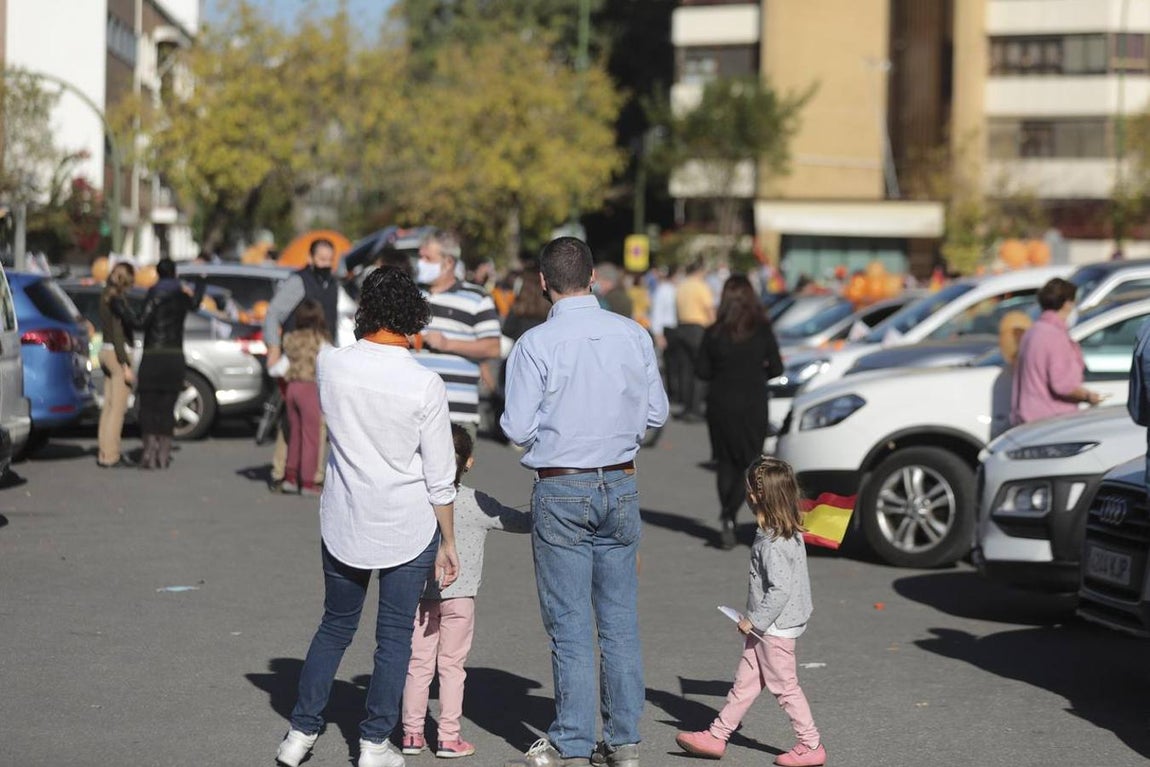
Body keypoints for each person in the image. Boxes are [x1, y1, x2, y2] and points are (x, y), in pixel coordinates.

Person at [275, 266, 460, 767]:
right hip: (407, 521)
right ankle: (374, 742)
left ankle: (300, 732)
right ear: (413, 315)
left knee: (335, 625)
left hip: (345, 516)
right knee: (394, 637)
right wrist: (449, 540)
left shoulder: (332, 364)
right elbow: (441, 476)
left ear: (365, 310)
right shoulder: (425, 384)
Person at [500, 237, 669, 767]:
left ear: (544, 282)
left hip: (562, 483)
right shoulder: (632, 334)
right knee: (618, 619)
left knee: (570, 621)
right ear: (594, 276)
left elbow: (516, 427)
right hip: (618, 480)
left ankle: (572, 740)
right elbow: (657, 413)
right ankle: (623, 741)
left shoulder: (535, 344)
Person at [675, 457, 826, 767]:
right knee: (744, 683)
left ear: (757, 497)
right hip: (770, 625)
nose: (745, 493)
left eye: (747, 488)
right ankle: (717, 735)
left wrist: (753, 620)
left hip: (774, 628)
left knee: (785, 687)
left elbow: (780, 590)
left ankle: (811, 744)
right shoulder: (782, 529)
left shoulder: (773, 542)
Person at [401, 424, 532, 759]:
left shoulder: (418, 501)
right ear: (468, 462)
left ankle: (412, 734)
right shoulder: (477, 502)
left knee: (418, 664)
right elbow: (519, 523)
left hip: (421, 595)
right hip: (460, 598)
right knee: (452, 666)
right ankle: (448, 737)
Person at [697, 275, 784, 550]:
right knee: (750, 463)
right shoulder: (761, 330)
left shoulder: (713, 332)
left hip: (721, 402)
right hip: (752, 402)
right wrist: (758, 371)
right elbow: (778, 368)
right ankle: (751, 517)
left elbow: (702, 371)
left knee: (725, 462)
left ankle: (727, 516)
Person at [264, 238, 340, 493]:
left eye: (329, 260)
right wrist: (274, 348)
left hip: (322, 358)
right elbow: (274, 313)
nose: (326, 264)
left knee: (307, 424)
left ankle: (303, 474)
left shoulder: (332, 283)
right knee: (297, 423)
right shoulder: (299, 281)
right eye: (321, 259)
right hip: (299, 361)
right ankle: (287, 473)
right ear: (310, 259)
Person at [414, 230, 502, 434]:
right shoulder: (411, 293)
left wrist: (448, 344)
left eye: (428, 258)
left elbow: (493, 347)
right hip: (413, 411)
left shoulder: (476, 297)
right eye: (420, 257)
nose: (421, 263)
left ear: (448, 262)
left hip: (456, 414)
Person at [130, 259, 205, 469]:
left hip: (154, 355)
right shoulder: (181, 296)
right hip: (174, 356)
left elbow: (140, 322)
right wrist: (201, 283)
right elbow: (196, 303)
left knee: (148, 406)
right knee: (167, 406)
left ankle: (149, 451)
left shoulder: (154, 295)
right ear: (175, 273)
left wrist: (122, 310)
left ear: (157, 273)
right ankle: (163, 453)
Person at [1011, 277, 1103, 426]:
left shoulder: (1034, 330)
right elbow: (1062, 385)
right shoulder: (1054, 336)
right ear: (1067, 304)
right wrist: (1088, 396)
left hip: (1028, 418)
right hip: (1051, 421)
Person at [281, 299, 330, 496]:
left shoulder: (291, 337)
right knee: (311, 436)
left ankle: (290, 477)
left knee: (295, 434)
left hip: (292, 387)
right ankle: (308, 482)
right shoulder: (320, 339)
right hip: (309, 387)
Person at [97, 262, 138, 468]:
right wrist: (125, 365)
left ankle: (104, 452)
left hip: (104, 351)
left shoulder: (105, 296)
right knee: (118, 409)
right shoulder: (117, 300)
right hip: (117, 353)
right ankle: (112, 455)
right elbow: (119, 333)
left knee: (108, 406)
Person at [673, 259, 715, 422]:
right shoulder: (701, 286)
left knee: (685, 369)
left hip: (682, 327)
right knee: (700, 369)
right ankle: (696, 408)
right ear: (699, 270)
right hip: (698, 328)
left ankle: (686, 406)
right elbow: (709, 309)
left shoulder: (681, 286)